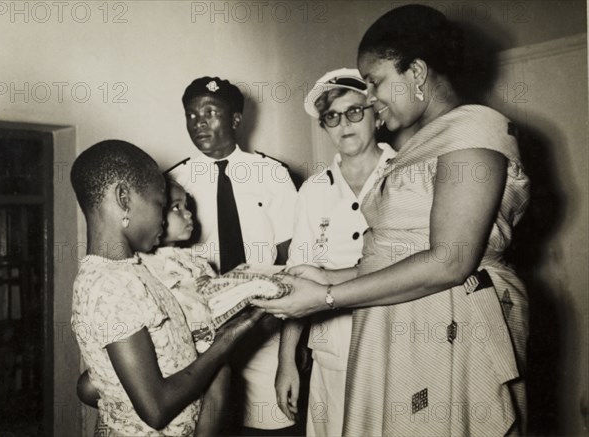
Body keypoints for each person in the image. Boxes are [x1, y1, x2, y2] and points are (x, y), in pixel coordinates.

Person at [255, 5, 530, 437]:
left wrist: (328, 295)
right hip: (401, 327)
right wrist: (325, 273)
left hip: (451, 331)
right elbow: (403, 251)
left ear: (416, 72)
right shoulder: (422, 146)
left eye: (375, 81)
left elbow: (449, 261)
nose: (369, 97)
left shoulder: (474, 133)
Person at [70, 140, 265, 436]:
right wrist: (227, 340)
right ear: (124, 198)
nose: (164, 218)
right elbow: (155, 409)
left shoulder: (133, 270)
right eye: (159, 204)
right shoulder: (109, 285)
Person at [167, 77, 298, 434]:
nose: (199, 122)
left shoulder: (272, 174)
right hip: (201, 329)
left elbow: (291, 256)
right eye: (191, 115)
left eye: (210, 112)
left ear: (237, 120)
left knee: (274, 421)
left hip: (265, 320)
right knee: (210, 423)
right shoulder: (174, 182)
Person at [275, 68, 395, 436]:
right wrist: (287, 362)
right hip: (333, 352)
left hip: (398, 344)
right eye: (332, 116)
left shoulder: (407, 173)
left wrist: (327, 278)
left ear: (377, 114)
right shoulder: (313, 191)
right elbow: (298, 278)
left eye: (355, 111)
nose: (344, 124)